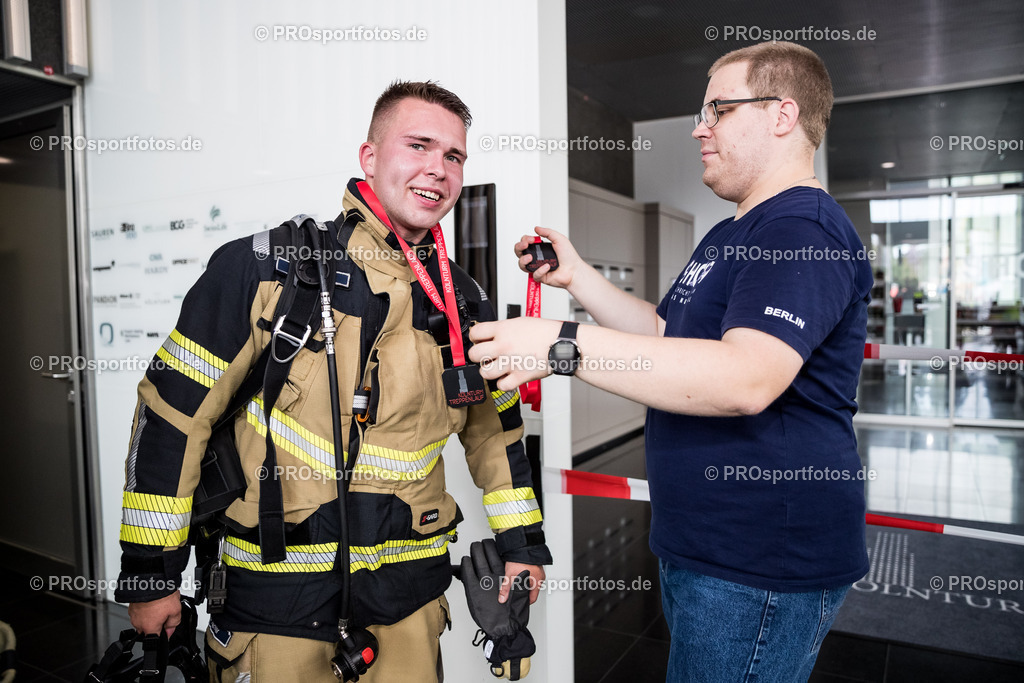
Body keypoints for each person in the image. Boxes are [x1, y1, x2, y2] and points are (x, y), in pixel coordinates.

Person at [115, 80, 551, 682]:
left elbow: (495, 437)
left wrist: (523, 548)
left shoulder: (464, 304)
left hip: (409, 607)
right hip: (276, 613)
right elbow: (171, 417)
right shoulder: (268, 271)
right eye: (418, 145)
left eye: (454, 156)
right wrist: (150, 576)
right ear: (369, 157)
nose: (438, 168)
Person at [469, 42, 871, 681]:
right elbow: (664, 330)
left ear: (782, 115)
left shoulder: (801, 230)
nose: (699, 129)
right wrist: (578, 279)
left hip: (759, 560)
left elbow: (745, 378)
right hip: (704, 547)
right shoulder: (732, 232)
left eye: (718, 110)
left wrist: (559, 345)